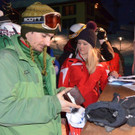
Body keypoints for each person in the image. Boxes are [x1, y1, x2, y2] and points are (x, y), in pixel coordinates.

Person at [0, 2, 80, 135]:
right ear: (27, 32)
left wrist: (61, 93)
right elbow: (4, 110)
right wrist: (54, 104)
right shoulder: (6, 60)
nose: (48, 43)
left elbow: (37, 95)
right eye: (44, 36)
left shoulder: (42, 58)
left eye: (51, 37)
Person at [58, 21, 109, 108]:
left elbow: (106, 87)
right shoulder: (70, 62)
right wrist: (62, 113)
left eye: (85, 44)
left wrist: (114, 75)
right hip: (73, 107)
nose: (81, 47)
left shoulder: (100, 64)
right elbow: (62, 87)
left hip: (93, 107)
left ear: (91, 46)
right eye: (79, 43)